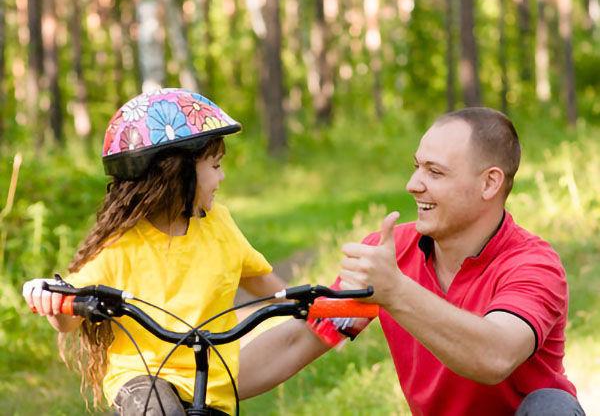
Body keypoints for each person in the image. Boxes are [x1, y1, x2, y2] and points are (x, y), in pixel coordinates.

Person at [238, 107, 585, 415]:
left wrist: (395, 291)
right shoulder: (391, 253)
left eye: (435, 172)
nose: (412, 184)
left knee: (551, 407)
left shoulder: (533, 264)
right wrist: (192, 387)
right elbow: (299, 341)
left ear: (489, 183)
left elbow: (495, 357)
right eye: (416, 167)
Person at [22, 88, 286, 416]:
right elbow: (69, 313)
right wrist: (50, 298)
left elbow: (264, 282)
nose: (222, 176)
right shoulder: (122, 243)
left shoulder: (220, 224)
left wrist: (312, 304)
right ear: (177, 173)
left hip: (212, 388)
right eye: (215, 165)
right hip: (143, 383)